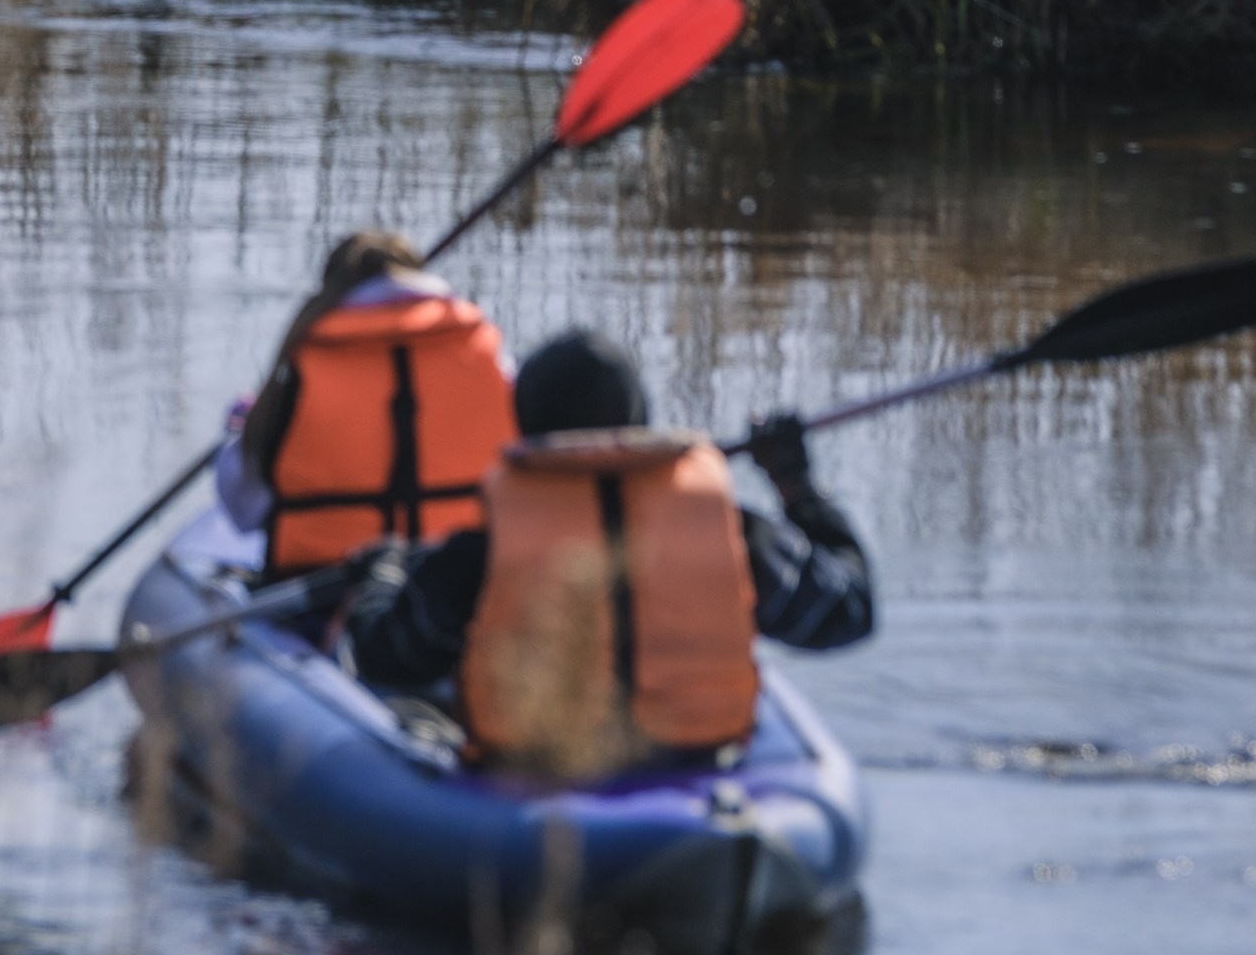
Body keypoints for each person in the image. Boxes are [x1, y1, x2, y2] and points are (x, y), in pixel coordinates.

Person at [341, 326, 872, 777]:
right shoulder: (735, 531)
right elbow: (850, 612)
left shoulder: (482, 551)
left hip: (537, 775)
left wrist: (384, 574)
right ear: (640, 419)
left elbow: (387, 657)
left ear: (527, 424)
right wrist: (795, 485)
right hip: (697, 764)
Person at [216, 228, 518, 578]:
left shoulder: (305, 366)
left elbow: (244, 511)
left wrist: (242, 433)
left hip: (323, 593)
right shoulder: (489, 356)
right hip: (458, 589)